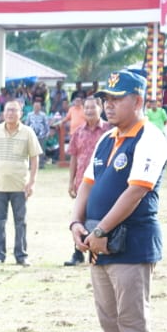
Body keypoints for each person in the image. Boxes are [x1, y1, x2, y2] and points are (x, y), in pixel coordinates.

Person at [69, 70, 167, 332]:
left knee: (132, 320)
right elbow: (87, 184)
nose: (108, 105)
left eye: (116, 99)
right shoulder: (107, 138)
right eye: (106, 99)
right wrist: (76, 223)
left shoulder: (150, 138)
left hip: (131, 243)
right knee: (110, 319)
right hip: (99, 245)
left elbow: (137, 190)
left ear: (138, 101)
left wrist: (101, 231)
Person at [0, 100, 40, 265]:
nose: (10, 113)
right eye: (7, 110)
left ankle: (21, 255)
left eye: (14, 110)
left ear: (21, 113)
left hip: (20, 185)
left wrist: (32, 182)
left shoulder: (27, 132)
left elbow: (34, 159)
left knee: (20, 221)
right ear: (2, 113)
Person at [64, 97, 112, 266]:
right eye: (87, 108)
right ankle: (78, 252)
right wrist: (71, 182)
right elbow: (74, 158)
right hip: (82, 182)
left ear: (100, 108)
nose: (89, 111)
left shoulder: (110, 130)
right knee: (80, 216)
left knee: (102, 215)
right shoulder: (78, 132)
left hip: (104, 181)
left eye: (93, 107)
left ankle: (100, 250)